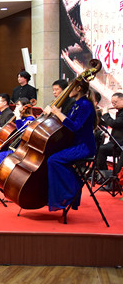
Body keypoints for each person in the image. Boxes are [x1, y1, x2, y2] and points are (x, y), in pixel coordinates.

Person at [43, 79, 97, 215]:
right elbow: (66, 124)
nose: (68, 91)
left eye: (71, 88)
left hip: (84, 146)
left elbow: (75, 126)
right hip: (76, 144)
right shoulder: (77, 104)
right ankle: (64, 191)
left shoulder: (85, 104)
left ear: (78, 89)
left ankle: (72, 190)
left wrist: (58, 113)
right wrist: (54, 115)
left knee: (53, 160)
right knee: (50, 156)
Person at [96, 92, 123, 177]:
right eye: (112, 103)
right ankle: (104, 174)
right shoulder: (120, 112)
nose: (114, 105)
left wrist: (105, 114)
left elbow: (115, 124)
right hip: (115, 142)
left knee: (101, 149)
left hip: (120, 144)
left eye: (116, 102)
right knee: (100, 149)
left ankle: (109, 176)